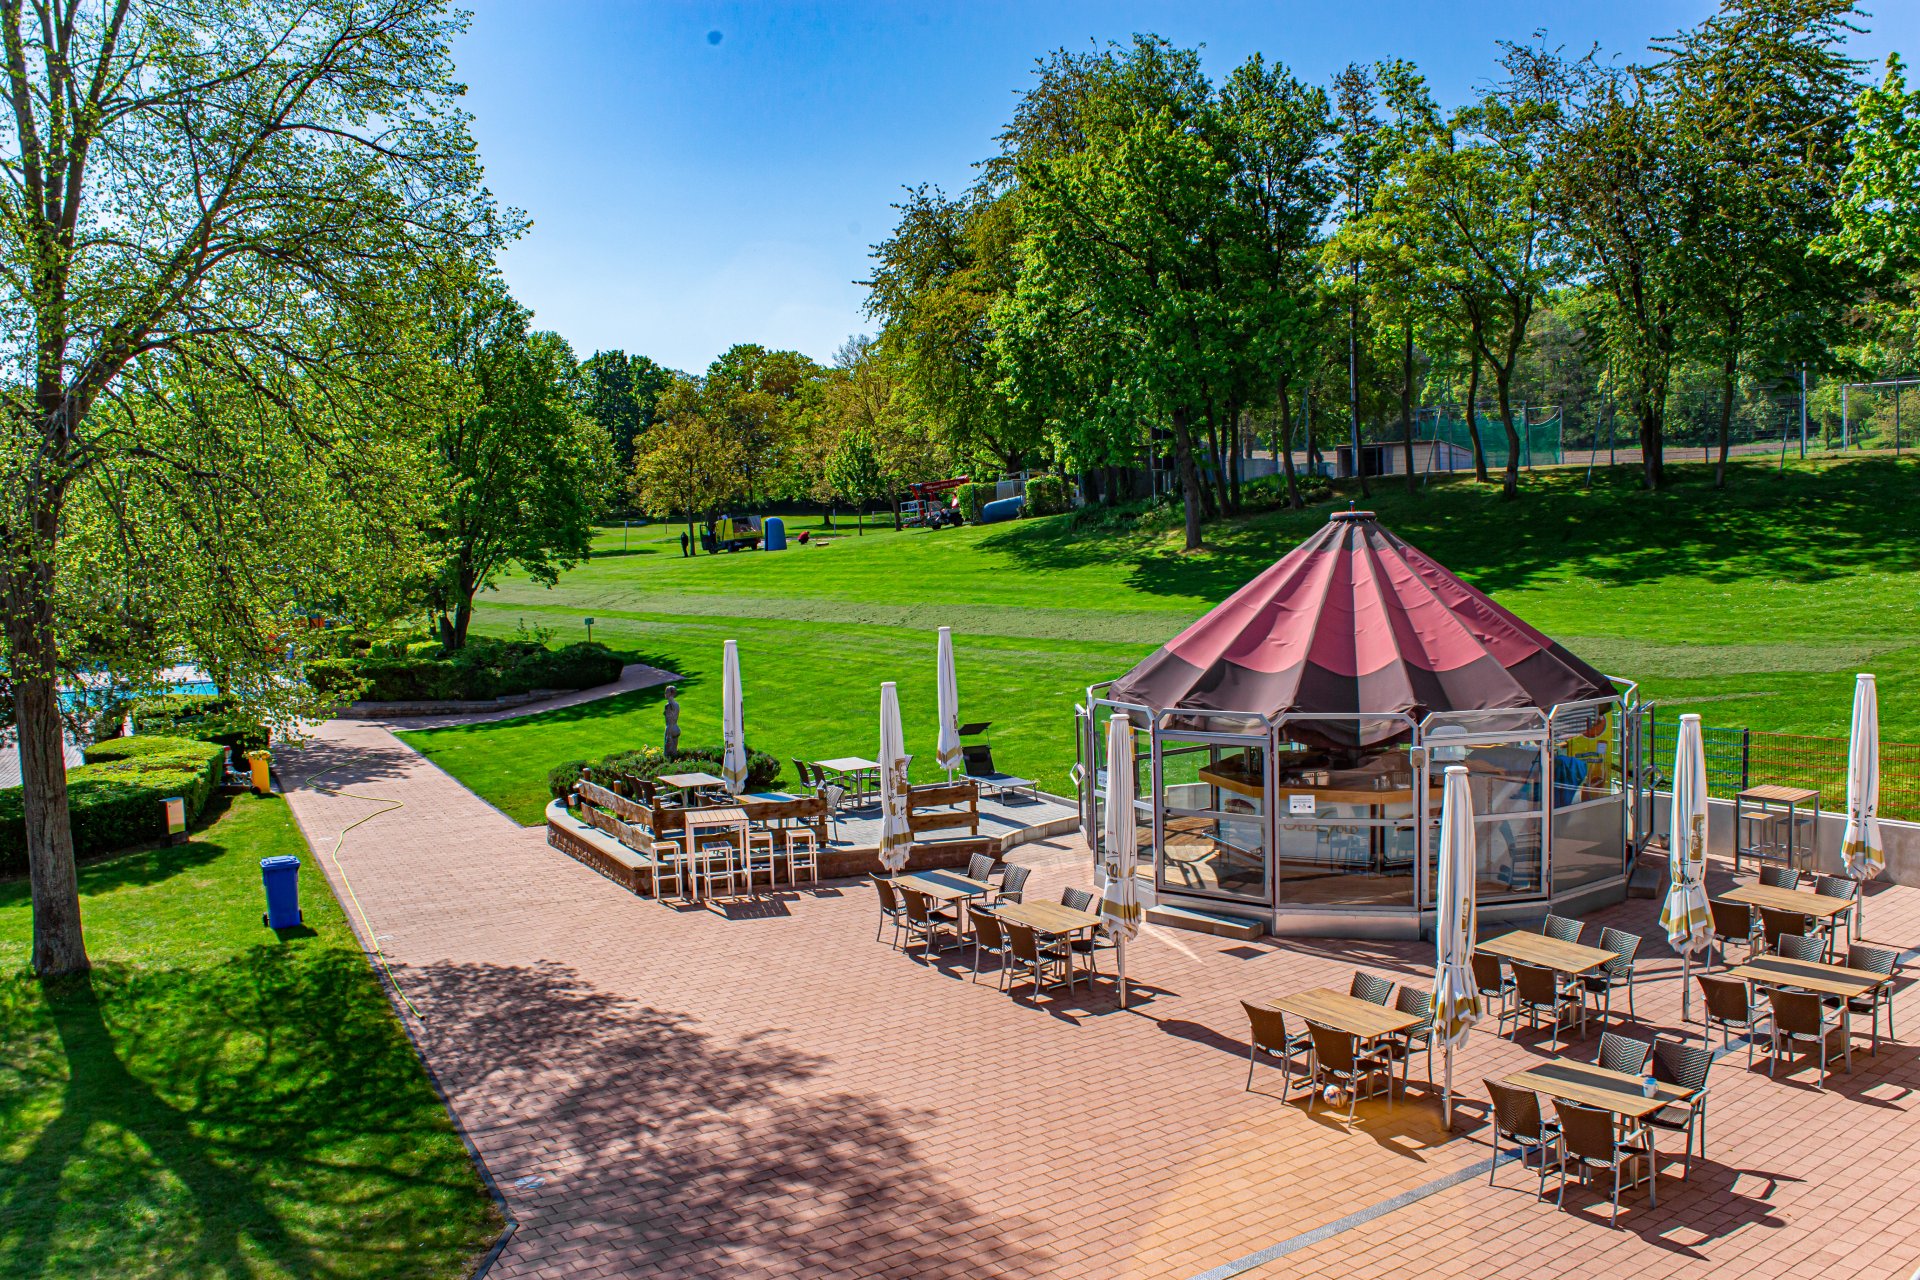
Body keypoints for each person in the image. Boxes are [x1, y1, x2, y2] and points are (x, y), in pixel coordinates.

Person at [662, 685, 680, 756]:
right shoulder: (677, 705)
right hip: (676, 728)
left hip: (670, 729)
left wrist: (668, 735)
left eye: (666, 692)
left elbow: (669, 721)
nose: (665, 693)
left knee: (667, 754)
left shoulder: (668, 706)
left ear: (670, 694)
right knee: (674, 752)